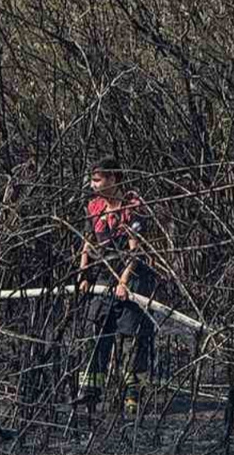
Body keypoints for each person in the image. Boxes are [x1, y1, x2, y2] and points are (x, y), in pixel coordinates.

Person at [72, 157, 156, 414]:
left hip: (133, 279)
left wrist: (124, 280)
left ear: (113, 179)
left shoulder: (133, 207)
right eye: (92, 179)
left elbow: (136, 250)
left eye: (98, 179)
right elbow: (87, 242)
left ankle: (133, 394)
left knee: (132, 336)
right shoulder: (94, 207)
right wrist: (83, 274)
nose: (93, 184)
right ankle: (90, 391)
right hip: (103, 279)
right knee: (96, 329)